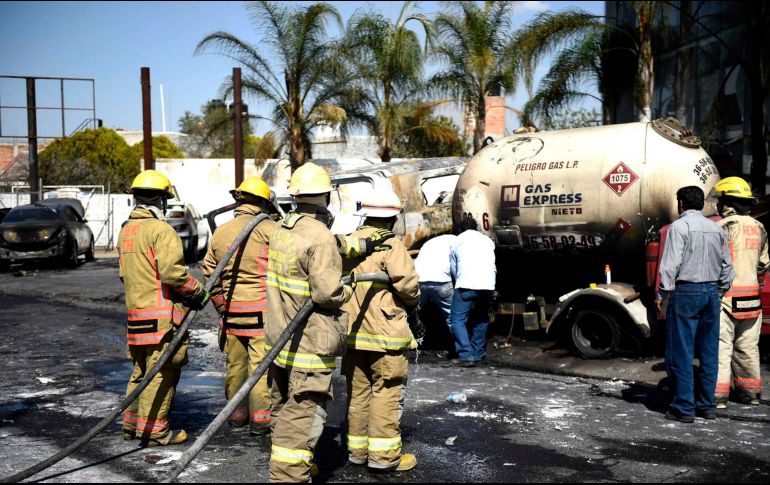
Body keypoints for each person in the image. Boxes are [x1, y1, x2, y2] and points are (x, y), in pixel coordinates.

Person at [264, 162, 355, 483]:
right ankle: (288, 476)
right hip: (309, 344)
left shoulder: (282, 229)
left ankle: (288, 465)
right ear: (326, 197)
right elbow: (327, 293)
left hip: (279, 340)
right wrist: (349, 286)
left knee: (283, 407)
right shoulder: (320, 237)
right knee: (304, 411)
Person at [118, 169, 209, 446]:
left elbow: (124, 274)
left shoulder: (127, 230)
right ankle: (154, 431)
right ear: (162, 200)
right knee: (161, 372)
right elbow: (173, 274)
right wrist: (198, 293)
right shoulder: (162, 230)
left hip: (137, 316)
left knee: (140, 372)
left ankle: (132, 425)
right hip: (160, 319)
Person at [342, 192, 420, 472]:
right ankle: (384, 458)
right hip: (385, 333)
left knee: (359, 393)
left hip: (353, 333)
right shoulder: (390, 244)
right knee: (386, 391)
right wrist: (412, 304)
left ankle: (357, 452)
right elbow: (408, 287)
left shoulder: (350, 242)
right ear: (392, 217)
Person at [201, 176, 276, 436]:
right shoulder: (270, 230)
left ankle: (236, 416)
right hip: (262, 314)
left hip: (232, 314)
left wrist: (222, 307)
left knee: (236, 366)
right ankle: (261, 420)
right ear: (265, 203)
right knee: (260, 367)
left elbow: (209, 273)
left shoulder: (222, 231)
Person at [656, 185, 734, 423]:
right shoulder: (716, 229)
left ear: (680, 204)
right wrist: (718, 290)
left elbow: (670, 265)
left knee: (682, 351)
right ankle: (707, 406)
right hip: (711, 291)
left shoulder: (678, 227)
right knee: (709, 352)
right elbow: (728, 268)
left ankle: (684, 408)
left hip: (686, 292)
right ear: (701, 204)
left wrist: (662, 293)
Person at [713, 177, 769, 409]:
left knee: (721, 347)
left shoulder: (721, 227)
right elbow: (763, 264)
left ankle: (718, 396)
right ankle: (751, 394)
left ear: (727, 202)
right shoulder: (760, 227)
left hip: (726, 298)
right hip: (751, 300)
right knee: (747, 347)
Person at [446, 217, 496, 367]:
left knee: (457, 320)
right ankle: (478, 352)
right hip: (487, 284)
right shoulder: (488, 240)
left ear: (461, 228)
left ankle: (466, 355)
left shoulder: (457, 241)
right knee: (481, 317)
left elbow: (453, 266)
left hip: (465, 284)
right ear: (476, 227)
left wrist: (457, 280)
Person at [414, 233, 456, 335]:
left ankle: (415, 342)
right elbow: (455, 265)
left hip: (420, 280)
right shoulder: (457, 241)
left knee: (415, 313)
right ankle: (460, 347)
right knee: (453, 317)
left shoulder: (429, 242)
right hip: (442, 282)